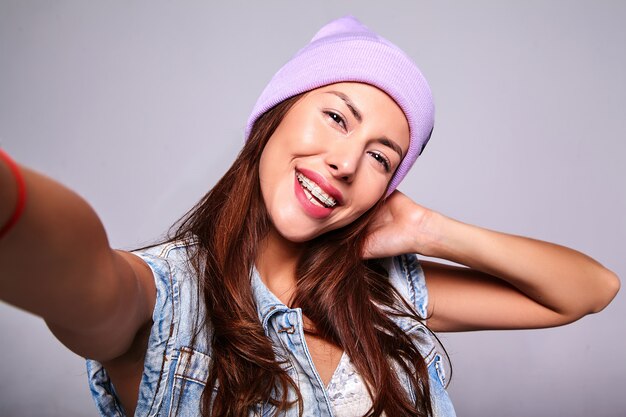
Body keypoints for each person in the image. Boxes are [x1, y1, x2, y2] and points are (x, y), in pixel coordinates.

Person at [0, 15, 620, 417]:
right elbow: (80, 271)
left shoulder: (383, 293)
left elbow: (590, 290)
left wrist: (431, 229)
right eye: (336, 116)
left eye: (382, 158)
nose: (348, 162)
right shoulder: (165, 301)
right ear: (275, 115)